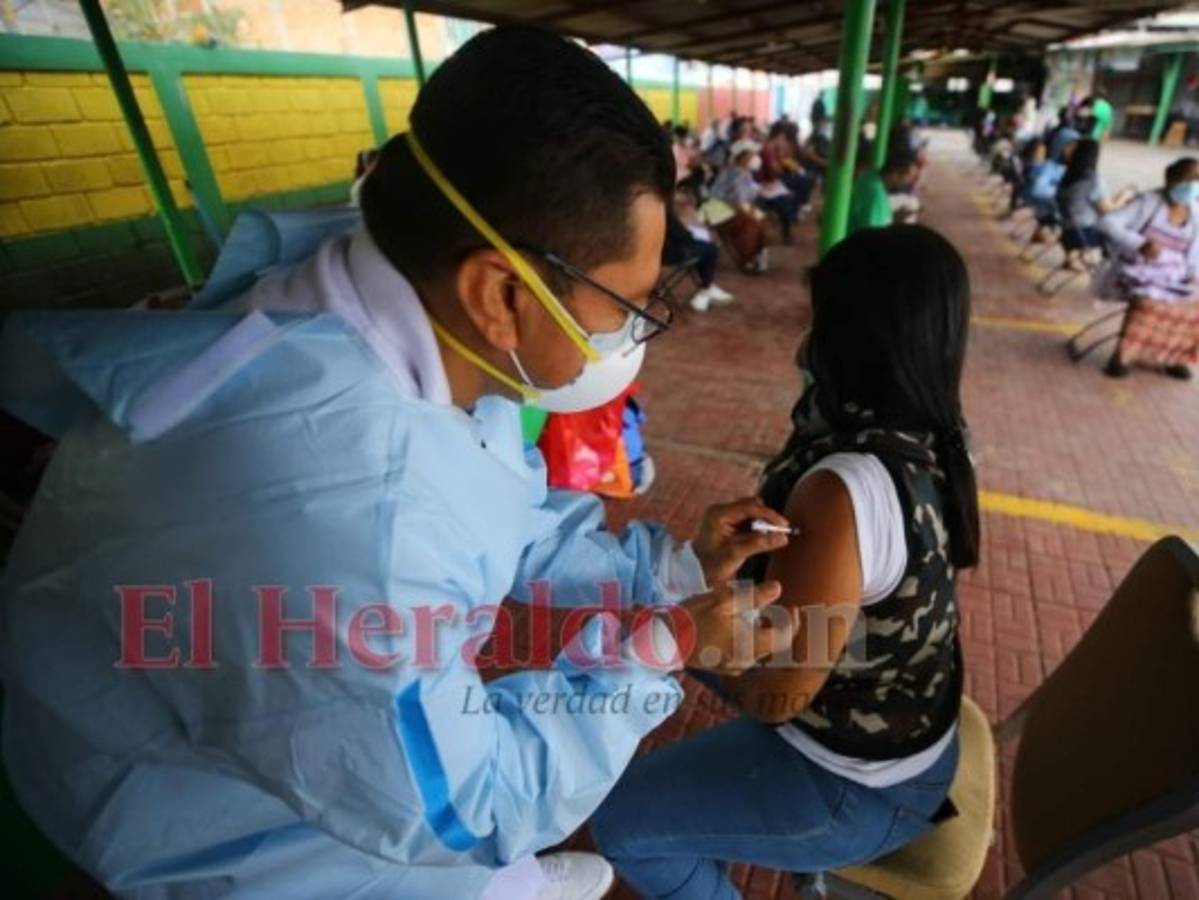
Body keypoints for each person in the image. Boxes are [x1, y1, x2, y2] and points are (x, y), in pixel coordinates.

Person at [0, 28, 798, 900]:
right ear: (498, 292)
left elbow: (505, 507)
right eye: (625, 304)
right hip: (196, 825)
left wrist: (668, 572)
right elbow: (469, 800)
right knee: (456, 853)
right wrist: (665, 645)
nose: (629, 335)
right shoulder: (351, 523)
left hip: (281, 730)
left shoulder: (396, 312)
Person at [591, 225, 977, 898]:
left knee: (621, 823)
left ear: (850, 337)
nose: (804, 344)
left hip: (858, 786)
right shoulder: (935, 437)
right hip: (908, 738)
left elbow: (775, 697)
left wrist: (674, 639)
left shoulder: (841, 491)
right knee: (653, 622)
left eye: (818, 321)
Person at [1099, 156, 1199, 380]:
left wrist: (1193, 275)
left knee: (1194, 306)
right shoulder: (1149, 201)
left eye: (1197, 181)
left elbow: (1194, 253)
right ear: (1171, 180)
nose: (1193, 186)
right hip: (1138, 268)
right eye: (1188, 180)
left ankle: (1173, 357)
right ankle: (1121, 357)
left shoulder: (1195, 211)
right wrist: (1140, 243)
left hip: (1174, 274)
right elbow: (1107, 222)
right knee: (1148, 303)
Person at [1054, 138, 1132, 271]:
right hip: (1085, 235)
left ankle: (1080, 258)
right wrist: (1124, 197)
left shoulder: (1067, 177)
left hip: (1066, 233)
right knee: (1123, 235)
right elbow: (1107, 209)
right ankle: (1110, 272)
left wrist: (1116, 199)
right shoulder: (1093, 179)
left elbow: (1092, 203)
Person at [708, 141, 771, 273]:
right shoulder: (734, 173)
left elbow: (746, 197)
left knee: (762, 220)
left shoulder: (744, 172)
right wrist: (750, 211)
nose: (754, 157)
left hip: (733, 207)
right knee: (750, 223)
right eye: (751, 155)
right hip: (718, 209)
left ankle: (757, 254)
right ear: (743, 157)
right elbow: (738, 200)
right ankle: (748, 258)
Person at [847, 149, 920, 234]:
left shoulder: (872, 176)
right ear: (895, 173)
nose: (910, 181)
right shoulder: (875, 194)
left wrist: (893, 218)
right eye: (909, 176)